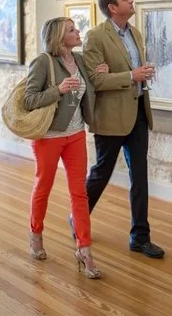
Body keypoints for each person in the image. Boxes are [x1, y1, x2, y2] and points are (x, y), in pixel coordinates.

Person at [81, 0, 164, 258]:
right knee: (101, 173)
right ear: (112, 8)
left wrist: (141, 74)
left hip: (139, 111)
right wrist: (131, 76)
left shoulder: (135, 33)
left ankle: (140, 236)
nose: (132, 1)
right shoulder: (95, 37)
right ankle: (79, 219)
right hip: (111, 117)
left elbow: (130, 71)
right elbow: (96, 79)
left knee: (139, 176)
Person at [23, 17, 109, 279]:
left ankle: (84, 250)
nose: (77, 32)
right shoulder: (43, 62)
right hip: (48, 137)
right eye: (72, 30)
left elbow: (88, 88)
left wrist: (100, 76)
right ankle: (36, 233)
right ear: (60, 37)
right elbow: (29, 100)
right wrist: (57, 90)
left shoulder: (80, 60)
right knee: (43, 187)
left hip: (76, 136)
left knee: (79, 193)